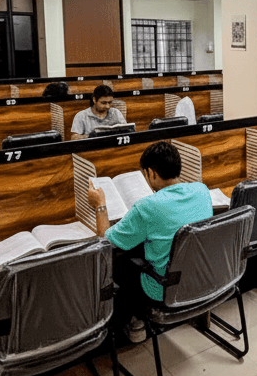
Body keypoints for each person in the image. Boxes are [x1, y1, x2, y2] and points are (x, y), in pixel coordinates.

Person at [87, 141, 212, 343]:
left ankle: (134, 321)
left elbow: (104, 242)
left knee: (119, 262)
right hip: (200, 277)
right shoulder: (202, 190)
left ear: (151, 174)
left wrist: (100, 205)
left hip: (162, 289)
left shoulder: (147, 207)